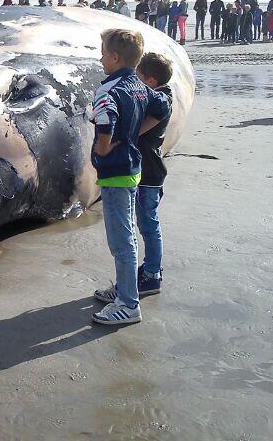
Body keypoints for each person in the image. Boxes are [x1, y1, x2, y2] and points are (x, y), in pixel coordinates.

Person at [90, 28, 171, 325]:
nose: (100, 58)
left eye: (102, 52)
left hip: (115, 173)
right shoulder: (140, 86)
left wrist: (105, 146)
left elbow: (106, 123)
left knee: (121, 239)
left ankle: (128, 303)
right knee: (127, 233)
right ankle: (125, 289)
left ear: (114, 57)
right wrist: (135, 133)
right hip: (133, 169)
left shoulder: (108, 91)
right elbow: (163, 108)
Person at [133, 52, 174, 297]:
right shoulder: (159, 96)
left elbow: (137, 131)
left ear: (150, 81)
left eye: (137, 76)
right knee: (146, 223)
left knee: (149, 225)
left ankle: (151, 276)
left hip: (148, 174)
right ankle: (151, 268)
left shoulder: (160, 102)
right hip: (147, 171)